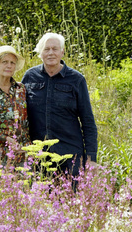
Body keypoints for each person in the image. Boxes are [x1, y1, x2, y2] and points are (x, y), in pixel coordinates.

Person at [22, 33, 97, 176]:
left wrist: (91, 158)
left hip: (70, 156)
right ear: (40, 53)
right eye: (46, 49)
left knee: (70, 197)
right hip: (39, 156)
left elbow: (88, 121)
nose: (51, 53)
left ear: (62, 52)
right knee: (39, 198)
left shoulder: (76, 79)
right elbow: (19, 115)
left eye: (55, 49)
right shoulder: (30, 77)